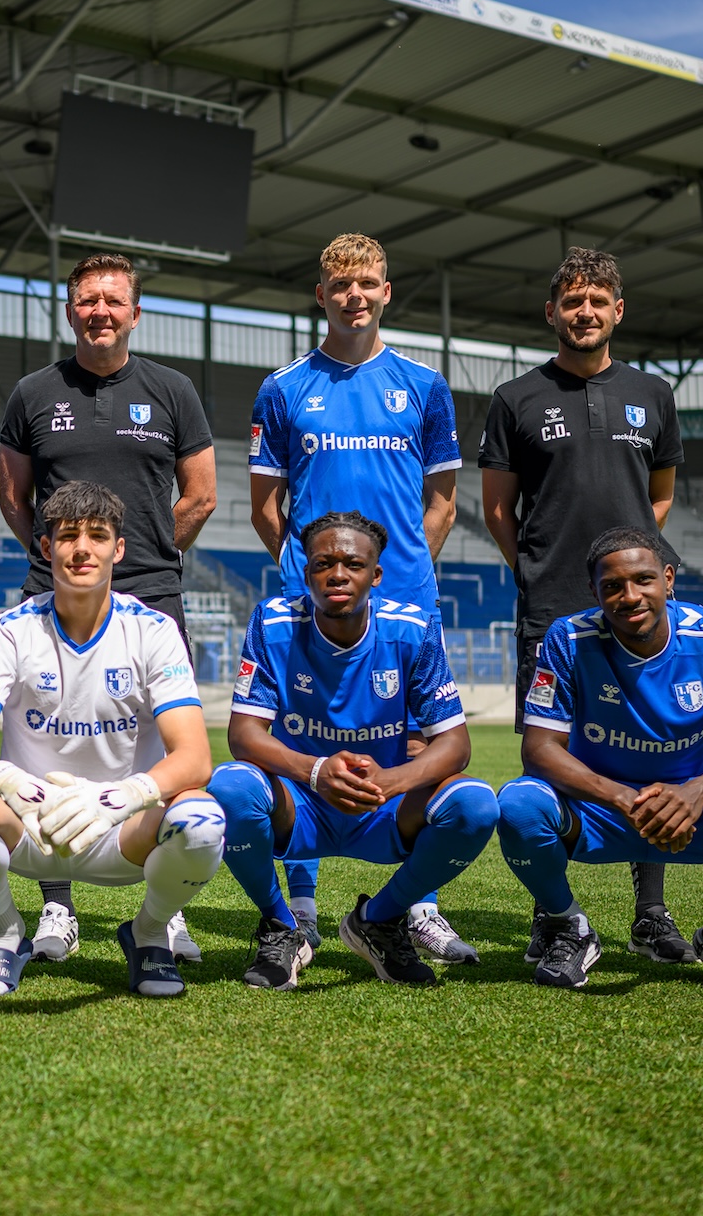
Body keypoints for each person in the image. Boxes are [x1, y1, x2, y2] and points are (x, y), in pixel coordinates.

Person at [246, 232, 470, 966]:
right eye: (341, 285)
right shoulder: (283, 389)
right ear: (322, 295)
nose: (355, 295)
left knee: (422, 742)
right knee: (301, 735)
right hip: (313, 596)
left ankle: (414, 905)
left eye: (368, 283)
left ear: (386, 291)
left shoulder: (424, 386)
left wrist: (399, 575)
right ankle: (300, 904)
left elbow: (442, 501)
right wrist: (302, 574)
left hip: (403, 594)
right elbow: (265, 505)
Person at [0, 252, 216, 963]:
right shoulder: (33, 392)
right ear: (71, 311)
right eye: (88, 300)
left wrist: (138, 555)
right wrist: (68, 568)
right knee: (47, 742)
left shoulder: (173, 389)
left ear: (135, 313)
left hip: (152, 590)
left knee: (164, 746)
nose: (100, 311)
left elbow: (201, 494)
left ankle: (164, 907)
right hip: (53, 593)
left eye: (113, 301)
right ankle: (56, 904)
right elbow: (14, 497)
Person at [496, 527, 703, 990]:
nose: (630, 596)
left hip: (697, 813)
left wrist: (697, 792)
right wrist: (623, 799)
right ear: (594, 591)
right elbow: (539, 750)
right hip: (601, 813)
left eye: (643, 580)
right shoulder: (568, 638)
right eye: (612, 586)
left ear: (668, 578)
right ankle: (566, 925)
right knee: (517, 806)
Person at [0, 481, 221, 997]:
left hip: (123, 830)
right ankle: (3, 932)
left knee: (202, 819)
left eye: (97, 536)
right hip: (30, 824)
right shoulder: (12, 629)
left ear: (118, 549)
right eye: (67, 536)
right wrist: (12, 782)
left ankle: (149, 933)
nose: (82, 548)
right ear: (46, 547)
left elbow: (195, 759)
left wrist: (120, 797)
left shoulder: (153, 630)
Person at [478, 247, 692, 964]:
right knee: (547, 752)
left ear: (618, 310)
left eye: (598, 300)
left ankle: (650, 913)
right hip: (552, 608)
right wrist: (538, 571)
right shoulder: (515, 398)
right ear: (552, 312)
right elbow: (498, 510)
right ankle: (554, 914)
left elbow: (659, 499)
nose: (586, 312)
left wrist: (632, 571)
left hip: (636, 606)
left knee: (651, 742)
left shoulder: (654, 394)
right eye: (573, 301)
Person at [207, 512, 497, 990]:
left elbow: (455, 743)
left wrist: (392, 780)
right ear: (306, 573)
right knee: (230, 787)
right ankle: (282, 925)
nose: (337, 574)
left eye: (353, 564)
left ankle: (379, 921)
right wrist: (316, 770)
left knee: (475, 804)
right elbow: (244, 735)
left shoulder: (413, 627)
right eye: (323, 563)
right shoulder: (273, 622)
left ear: (375, 575)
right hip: (301, 803)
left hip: (382, 804)